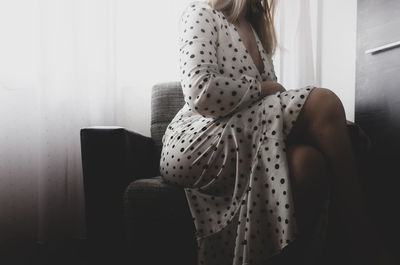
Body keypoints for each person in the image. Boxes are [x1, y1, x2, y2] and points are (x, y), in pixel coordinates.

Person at [160, 0, 393, 264]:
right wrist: (265, 89)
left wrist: (336, 125)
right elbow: (200, 93)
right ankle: (364, 243)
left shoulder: (257, 34)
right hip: (195, 140)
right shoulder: (201, 13)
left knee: (308, 163)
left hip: (241, 133)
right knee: (325, 101)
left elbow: (266, 111)